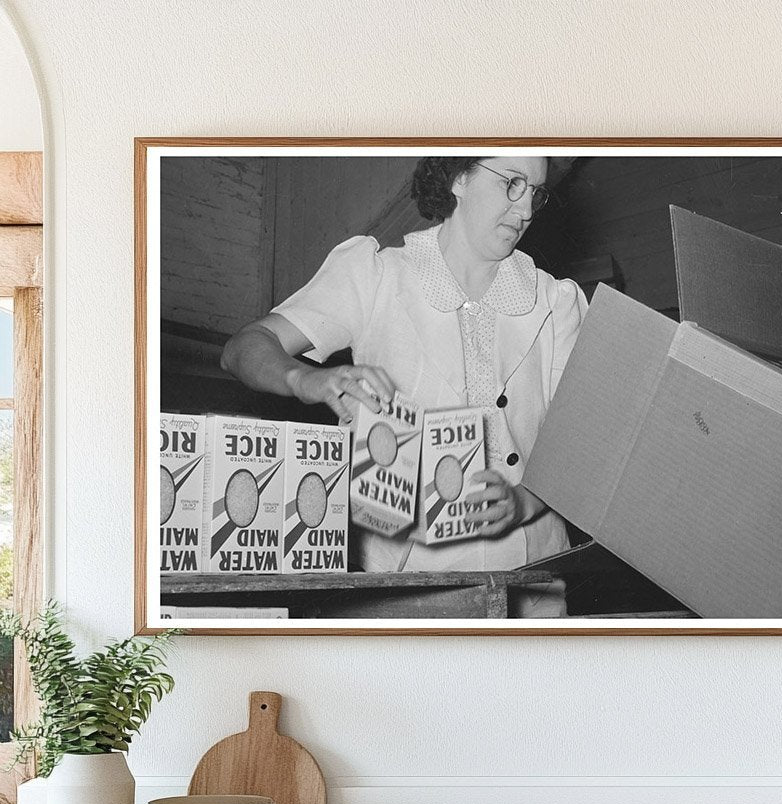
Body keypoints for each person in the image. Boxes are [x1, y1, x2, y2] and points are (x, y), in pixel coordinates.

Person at [220, 155, 587, 616]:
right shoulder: (376, 276)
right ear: (459, 178)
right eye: (511, 183)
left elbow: (579, 446)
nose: (526, 209)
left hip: (533, 579)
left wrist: (523, 501)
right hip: (405, 581)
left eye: (536, 191)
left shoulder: (556, 301)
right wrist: (307, 378)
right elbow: (245, 347)